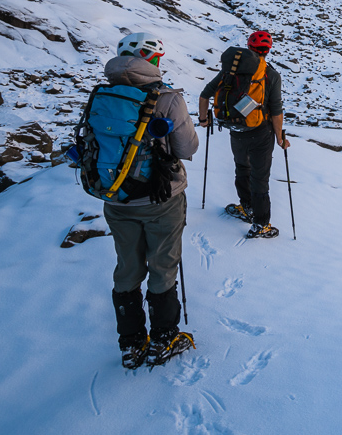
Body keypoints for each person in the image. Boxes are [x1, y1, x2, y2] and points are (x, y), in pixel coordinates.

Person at [99, 32, 200, 369]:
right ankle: (163, 337)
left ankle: (130, 344)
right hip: (161, 197)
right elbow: (187, 148)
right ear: (152, 59)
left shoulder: (100, 94)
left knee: (127, 268)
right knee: (162, 264)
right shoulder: (166, 98)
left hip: (115, 199)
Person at [198, 30, 290, 239]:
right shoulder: (271, 74)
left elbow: (205, 94)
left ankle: (246, 207)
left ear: (248, 47)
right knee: (260, 178)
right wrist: (280, 137)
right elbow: (276, 109)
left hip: (236, 131)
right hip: (261, 133)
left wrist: (204, 119)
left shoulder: (230, 71)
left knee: (242, 168)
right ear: (268, 50)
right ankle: (260, 224)